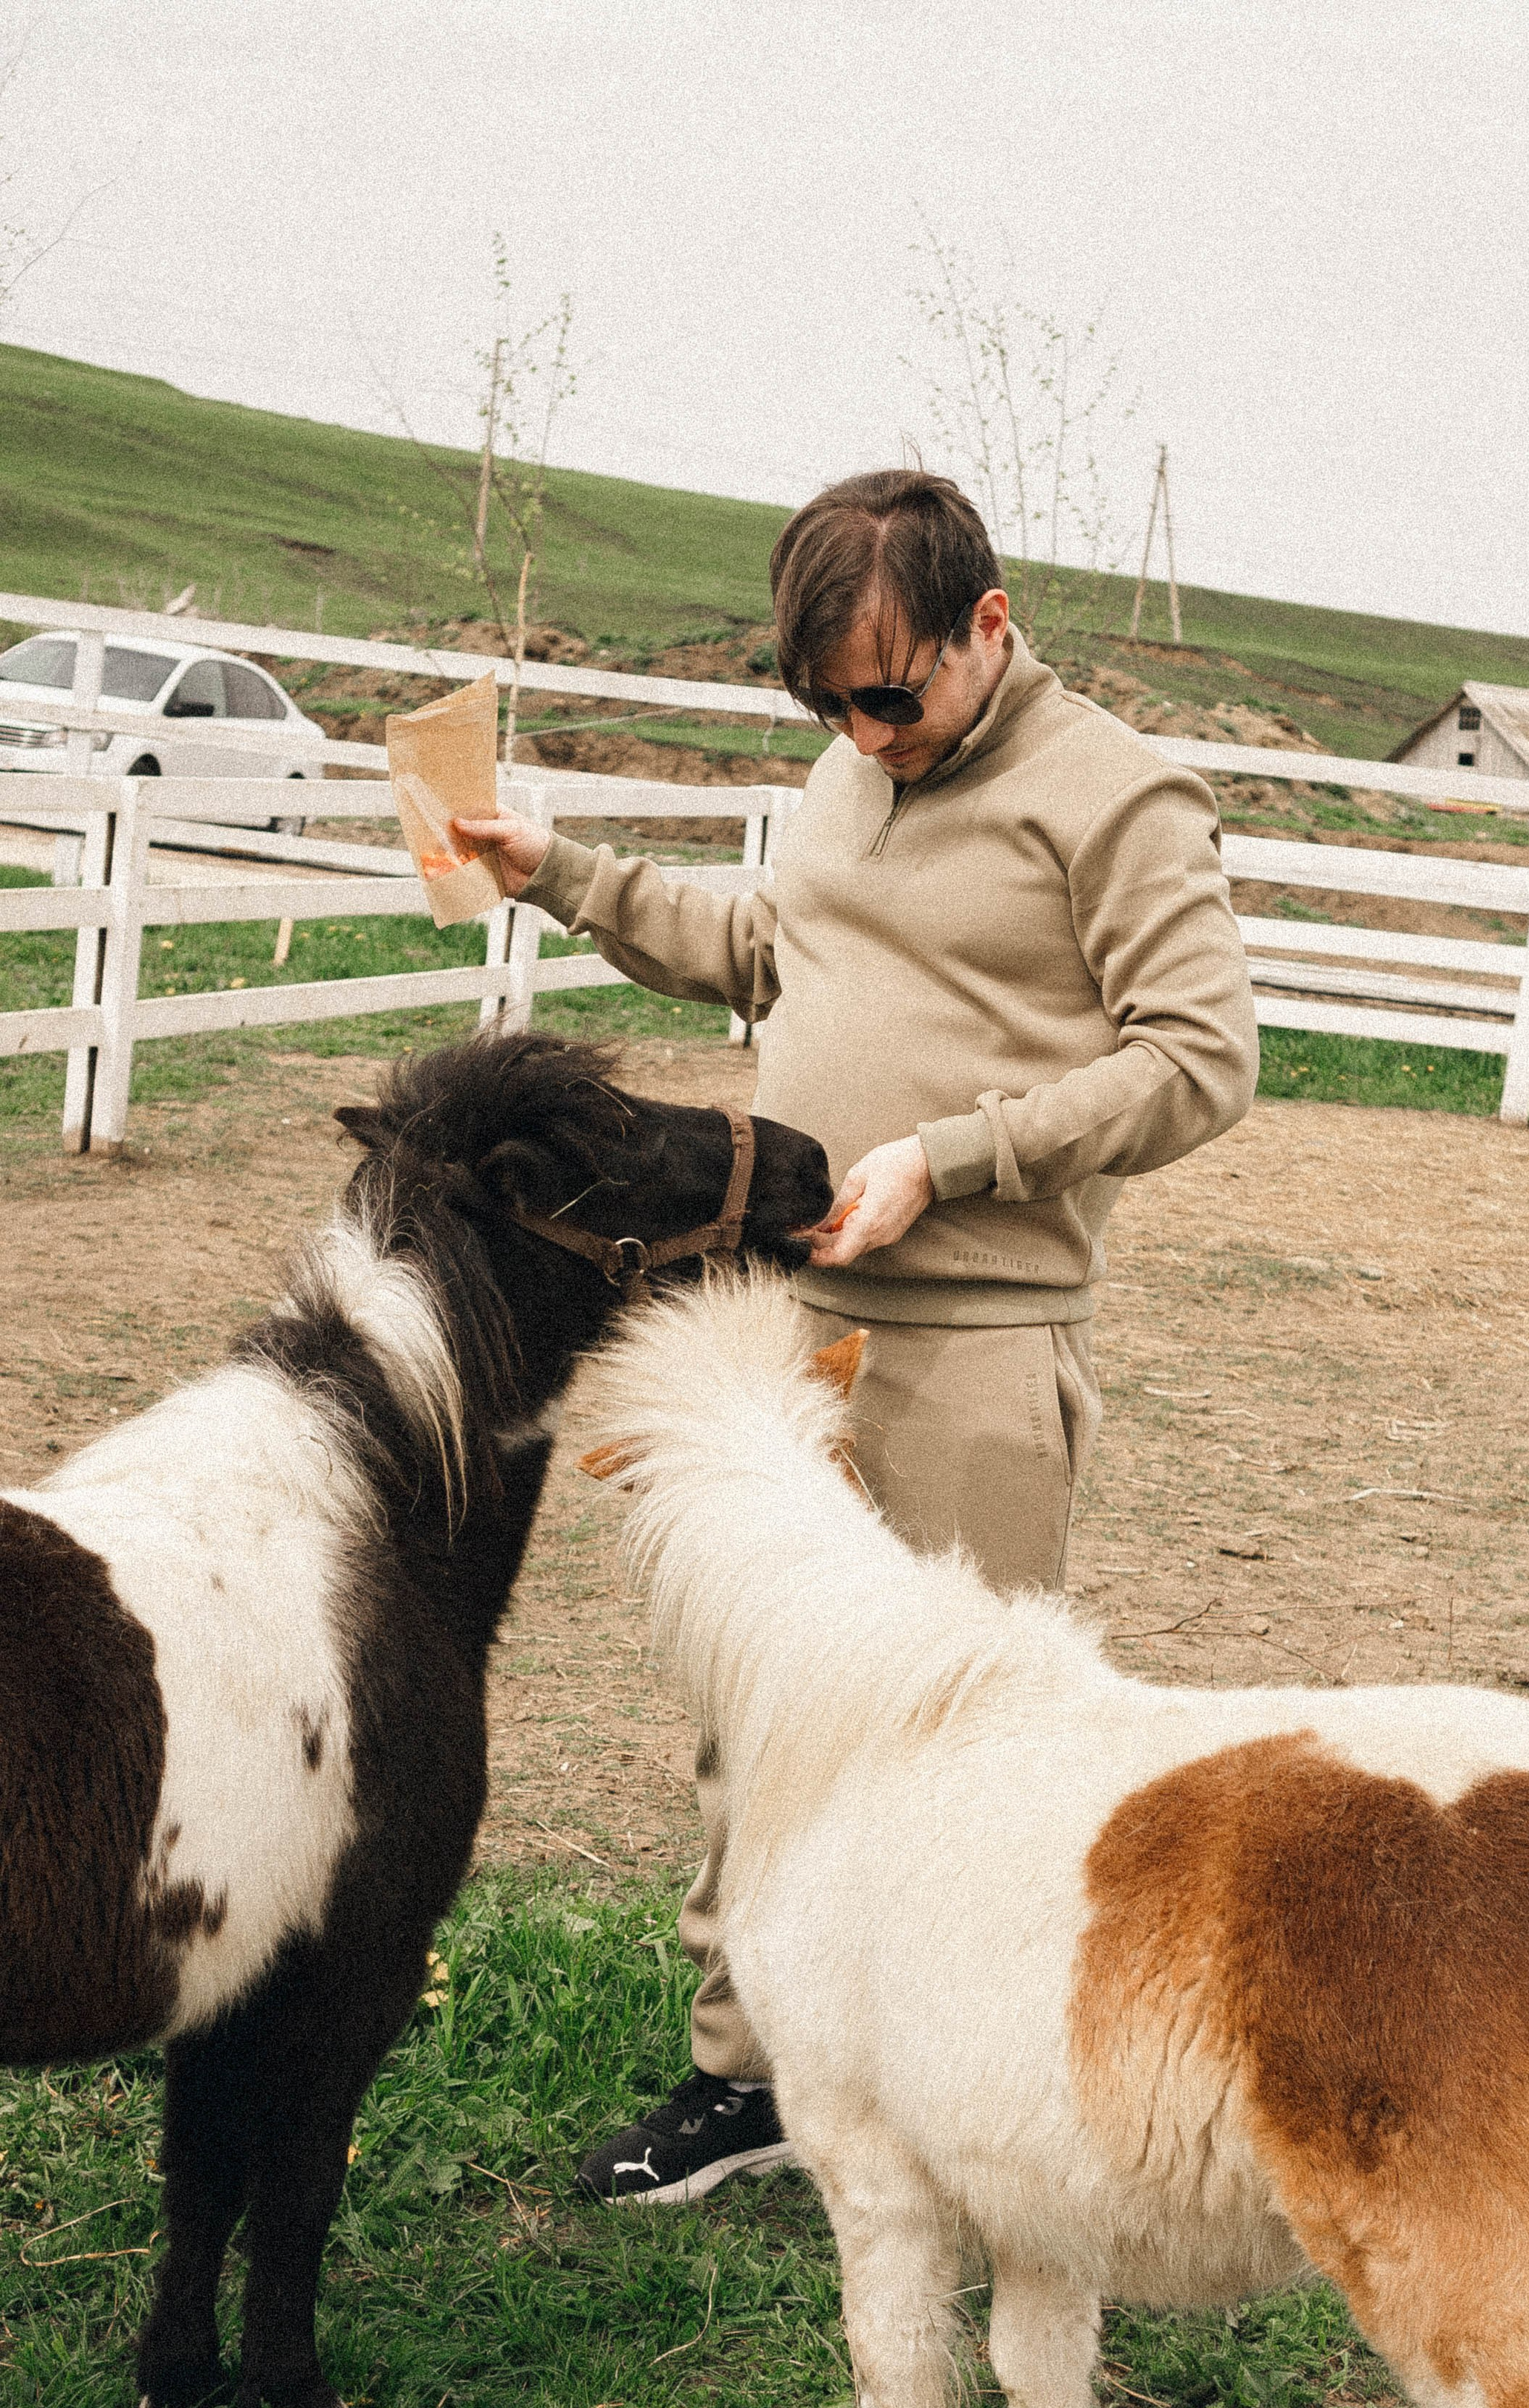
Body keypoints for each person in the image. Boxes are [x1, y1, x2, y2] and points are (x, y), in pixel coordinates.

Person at [458, 467, 1259, 2207]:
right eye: (826, 704)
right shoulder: (852, 756)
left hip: (976, 1350)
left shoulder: (1118, 799)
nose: (862, 730)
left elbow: (1201, 1057)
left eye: (889, 695)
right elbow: (770, 945)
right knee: (760, 1715)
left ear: (988, 622)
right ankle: (742, 2082)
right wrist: (567, 874)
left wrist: (952, 1161)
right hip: (791, 1333)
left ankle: (967, 2116)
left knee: (968, 1749)